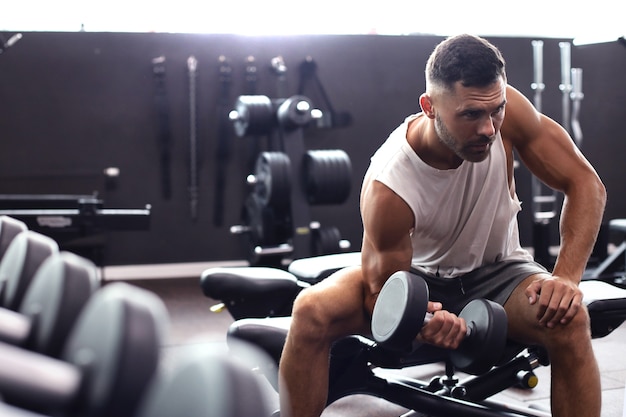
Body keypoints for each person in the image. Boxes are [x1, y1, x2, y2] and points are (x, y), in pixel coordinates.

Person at [278, 34, 606, 417]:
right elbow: (379, 294)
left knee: (570, 319)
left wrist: (566, 278)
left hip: (500, 271)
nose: (488, 128)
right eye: (470, 115)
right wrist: (422, 321)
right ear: (429, 107)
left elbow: (586, 185)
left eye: (495, 110)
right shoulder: (390, 184)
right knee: (311, 310)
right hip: (417, 279)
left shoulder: (506, 111)